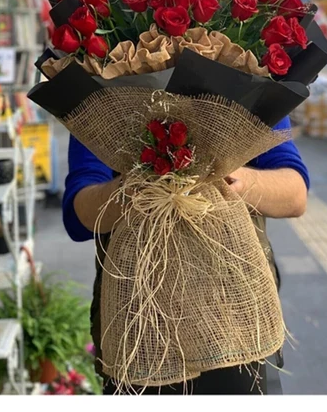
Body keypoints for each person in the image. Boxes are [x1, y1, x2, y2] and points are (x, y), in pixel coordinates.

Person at [63, 115, 309, 395]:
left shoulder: (247, 93)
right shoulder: (100, 103)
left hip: (236, 318)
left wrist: (233, 180)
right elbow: (78, 217)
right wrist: (134, 190)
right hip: (140, 320)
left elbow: (295, 194)